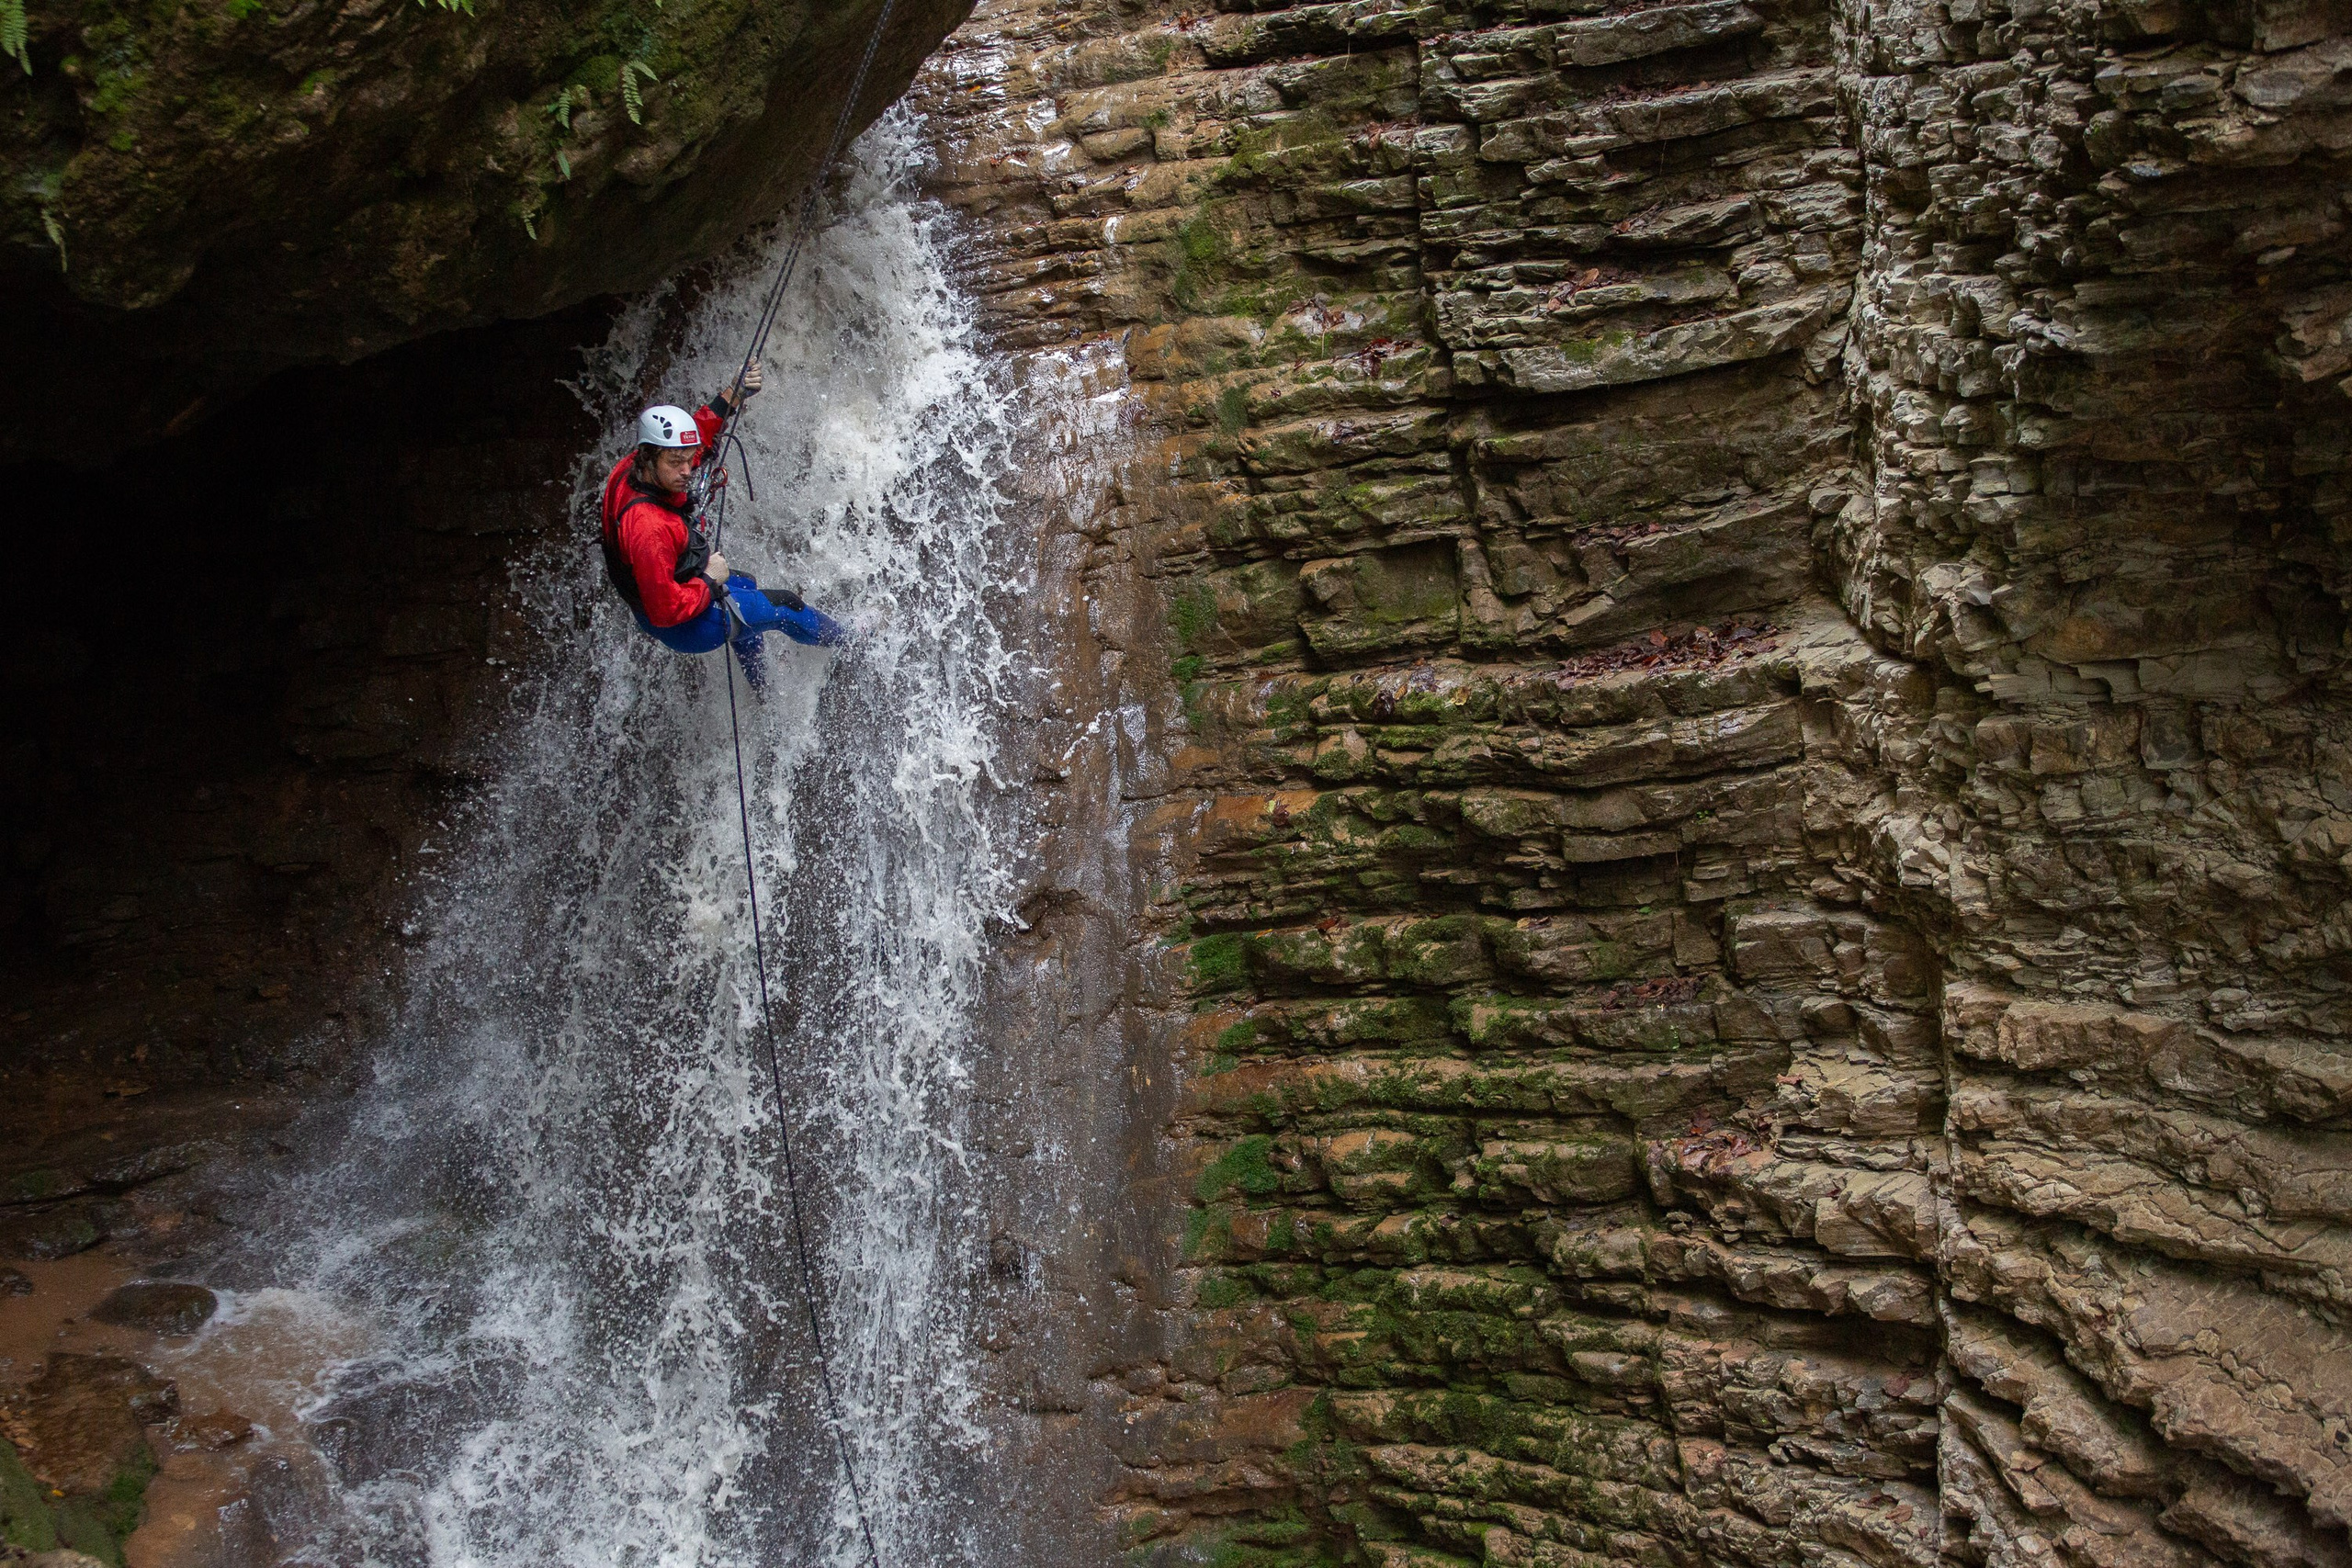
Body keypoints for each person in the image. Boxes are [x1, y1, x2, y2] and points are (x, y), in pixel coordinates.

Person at [597, 360, 846, 690]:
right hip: (685, 626)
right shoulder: (649, 528)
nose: (688, 470)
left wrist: (733, 395)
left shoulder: (633, 467)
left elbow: (694, 440)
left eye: (689, 459)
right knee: (785, 604)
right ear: (649, 457)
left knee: (746, 585)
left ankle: (763, 690)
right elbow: (666, 610)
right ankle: (852, 642)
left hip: (672, 590)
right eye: (677, 463)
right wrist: (708, 581)